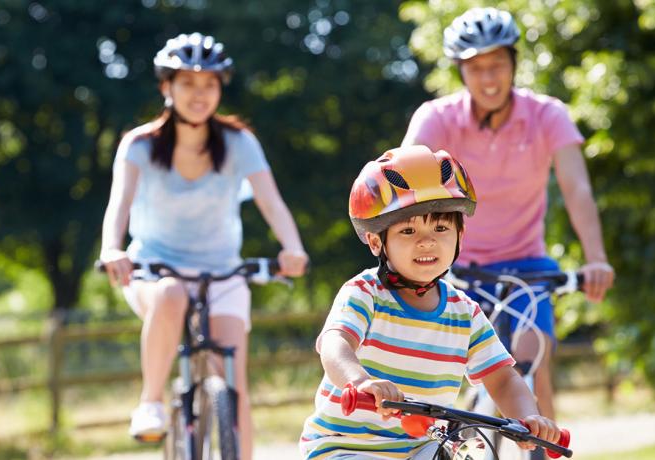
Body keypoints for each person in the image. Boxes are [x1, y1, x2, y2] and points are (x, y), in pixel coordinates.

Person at [99, 32, 308, 460]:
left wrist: (293, 248)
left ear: (220, 89)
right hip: (154, 270)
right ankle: (151, 401)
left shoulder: (238, 143)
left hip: (221, 273)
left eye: (209, 84)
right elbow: (117, 206)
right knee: (171, 294)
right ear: (166, 87)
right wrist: (111, 249)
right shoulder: (139, 145)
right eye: (188, 83)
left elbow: (272, 203)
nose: (199, 94)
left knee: (233, 384)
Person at [401, 7, 615, 421]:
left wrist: (596, 258)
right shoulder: (437, 118)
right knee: (436, 373)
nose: (488, 78)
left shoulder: (548, 115)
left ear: (514, 63)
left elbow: (578, 189)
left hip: (527, 264)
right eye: (476, 67)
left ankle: (542, 448)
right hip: (455, 264)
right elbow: (401, 182)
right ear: (461, 71)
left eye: (497, 64)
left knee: (532, 362)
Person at [299, 145, 560, 459]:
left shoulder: (465, 313)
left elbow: (503, 379)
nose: (426, 241)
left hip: (421, 449)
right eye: (408, 230)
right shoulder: (364, 293)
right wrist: (361, 382)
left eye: (440, 227)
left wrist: (528, 417)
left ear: (460, 235)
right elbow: (334, 343)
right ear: (376, 241)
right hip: (344, 447)